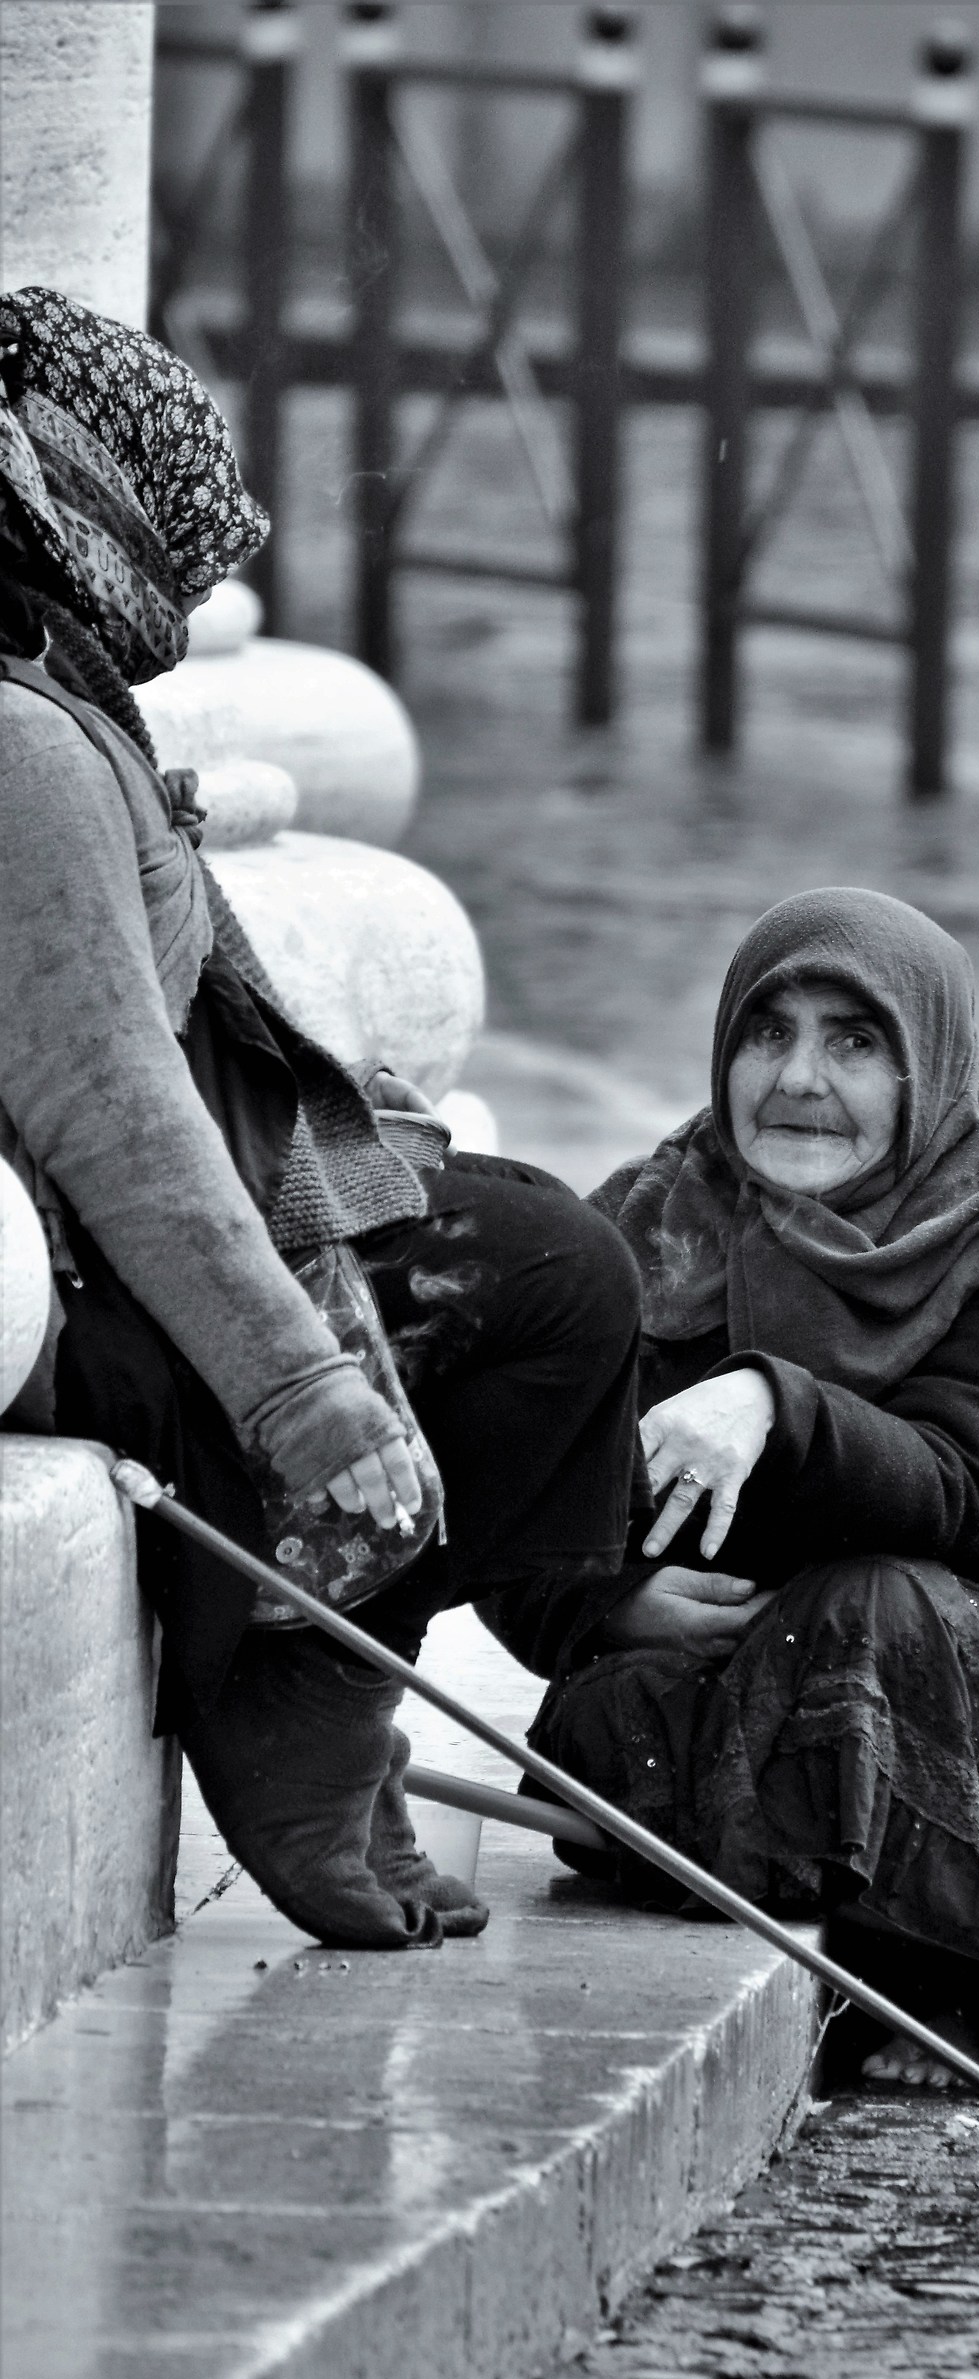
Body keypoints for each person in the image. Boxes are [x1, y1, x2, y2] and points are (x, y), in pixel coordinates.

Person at [0, 287, 641, 1951]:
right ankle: (299, 1674)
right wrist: (306, 1400)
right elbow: (118, 1122)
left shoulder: (52, 695)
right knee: (559, 1282)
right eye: (174, 535)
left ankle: (342, 1672)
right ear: (82, 495)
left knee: (514, 1228)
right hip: (99, 1302)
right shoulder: (17, 743)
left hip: (100, 1262)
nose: (199, 592)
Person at [522, 888, 979, 2092]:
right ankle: (843, 1883)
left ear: (927, 1070)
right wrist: (605, 1605)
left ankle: (951, 1979)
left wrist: (770, 1402)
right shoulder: (653, 1226)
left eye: (855, 1043)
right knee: (615, 1712)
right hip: (761, 1661)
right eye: (770, 1033)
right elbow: (529, 1499)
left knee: (875, 1607)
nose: (799, 1078)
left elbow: (951, 1486)